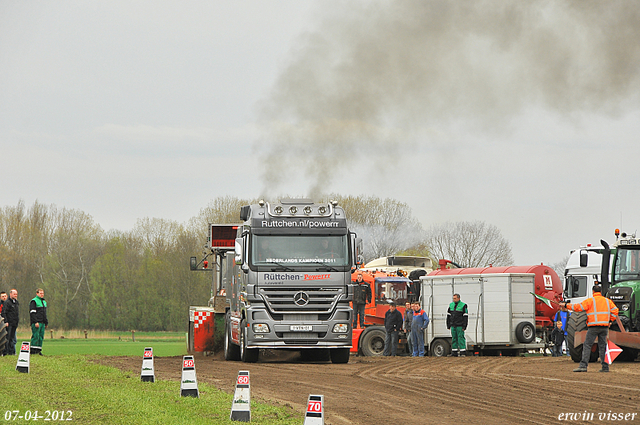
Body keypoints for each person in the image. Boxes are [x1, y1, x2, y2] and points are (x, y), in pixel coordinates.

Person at [560, 285, 618, 372]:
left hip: (593, 327)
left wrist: (565, 305)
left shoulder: (590, 301)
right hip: (604, 327)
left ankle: (583, 366)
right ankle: (605, 367)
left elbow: (577, 307)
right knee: (603, 347)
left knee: (587, 345)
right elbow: (615, 311)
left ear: (593, 291)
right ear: (601, 291)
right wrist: (610, 320)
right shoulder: (607, 301)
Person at [30, 288, 48, 356]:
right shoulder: (34, 301)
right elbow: (32, 313)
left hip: (42, 322)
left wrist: (46, 322)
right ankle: (33, 351)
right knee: (36, 336)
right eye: (40, 293)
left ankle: (38, 350)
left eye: (43, 293)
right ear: (37, 293)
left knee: (41, 337)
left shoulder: (44, 302)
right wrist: (35, 322)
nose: (42, 295)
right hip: (37, 322)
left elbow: (44, 313)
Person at [2, 289, 19, 355]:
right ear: (10, 294)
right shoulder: (7, 302)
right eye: (14, 294)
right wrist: (6, 321)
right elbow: (4, 312)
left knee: (12, 338)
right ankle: (6, 352)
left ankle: (11, 352)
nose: (15, 295)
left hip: (14, 323)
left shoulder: (16, 302)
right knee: (7, 338)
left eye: (16, 294)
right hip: (9, 323)